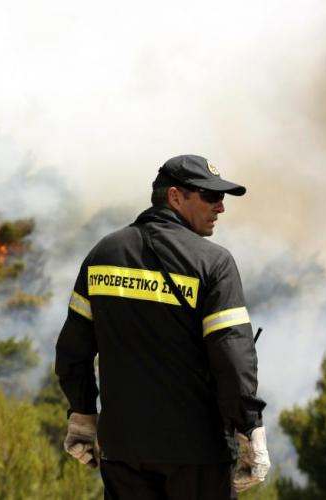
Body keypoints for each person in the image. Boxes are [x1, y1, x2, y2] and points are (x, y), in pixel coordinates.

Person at [55, 155, 270, 500]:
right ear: (174, 197)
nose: (221, 208)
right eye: (210, 197)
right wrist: (250, 429)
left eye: (223, 198)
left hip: (123, 450)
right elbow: (232, 357)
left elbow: (73, 351)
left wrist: (81, 415)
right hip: (197, 451)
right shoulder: (214, 264)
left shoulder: (103, 253)